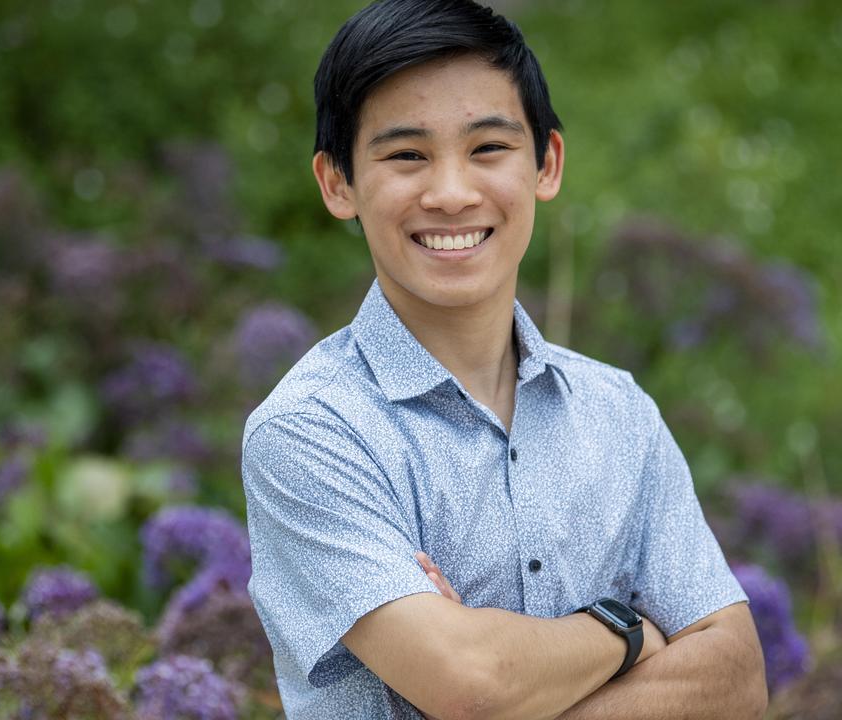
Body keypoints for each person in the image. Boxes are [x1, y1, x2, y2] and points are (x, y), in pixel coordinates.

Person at [240, 0, 767, 717]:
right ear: (338, 183)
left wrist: (514, 679)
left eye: (488, 148)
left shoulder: (620, 414)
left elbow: (736, 674)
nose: (452, 193)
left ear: (546, 163)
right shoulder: (309, 432)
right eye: (405, 155)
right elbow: (474, 686)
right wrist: (628, 631)